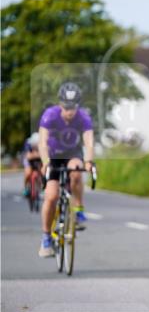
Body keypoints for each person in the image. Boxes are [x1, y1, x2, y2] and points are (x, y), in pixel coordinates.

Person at [38, 82, 95, 257]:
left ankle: (78, 211)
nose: (70, 111)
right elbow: (42, 141)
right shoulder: (50, 115)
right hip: (53, 156)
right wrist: (45, 162)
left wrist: (89, 161)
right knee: (51, 196)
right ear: (60, 103)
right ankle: (46, 236)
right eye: (66, 106)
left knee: (77, 171)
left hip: (72, 153)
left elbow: (89, 141)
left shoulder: (84, 118)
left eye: (73, 107)